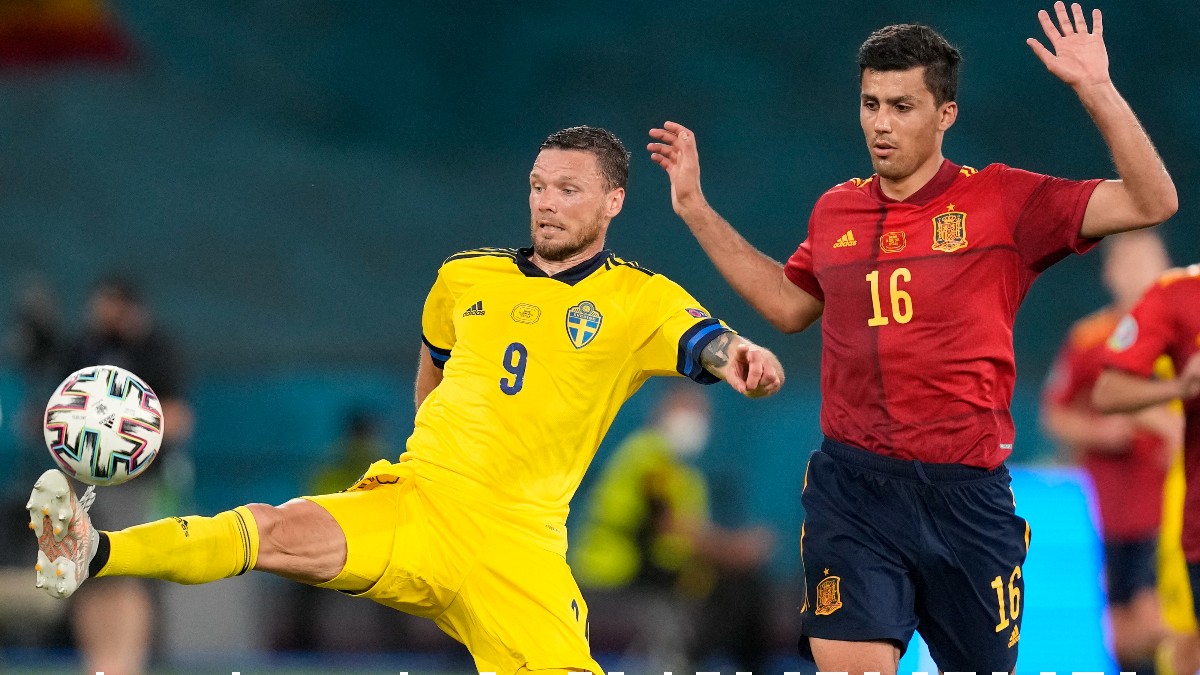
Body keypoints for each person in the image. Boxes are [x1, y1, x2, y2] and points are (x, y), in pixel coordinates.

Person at [27, 126, 785, 675]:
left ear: (614, 200)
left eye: (567, 189)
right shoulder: (466, 276)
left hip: (515, 546)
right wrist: (432, 457)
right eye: (536, 185)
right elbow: (434, 366)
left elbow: (709, 344)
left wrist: (741, 355)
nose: (545, 202)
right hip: (419, 504)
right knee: (273, 528)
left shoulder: (638, 299)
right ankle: (92, 549)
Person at [646, 3, 1177, 672]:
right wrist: (695, 208)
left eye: (902, 105)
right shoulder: (836, 207)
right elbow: (788, 304)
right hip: (855, 488)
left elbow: (1152, 202)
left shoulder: (1005, 200)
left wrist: (1096, 88)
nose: (881, 123)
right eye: (870, 104)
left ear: (944, 113)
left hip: (968, 496)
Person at [1041, 231, 1178, 672]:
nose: (1138, 275)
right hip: (1113, 512)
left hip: (1175, 508)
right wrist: (1106, 431)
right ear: (1110, 273)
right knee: (1122, 629)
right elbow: (1055, 415)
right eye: (1128, 264)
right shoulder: (1090, 340)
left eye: (1147, 263)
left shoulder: (1185, 338)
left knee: (1162, 615)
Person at [573, 383, 774, 673]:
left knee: (744, 590)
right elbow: (670, 527)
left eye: (700, 412)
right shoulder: (648, 455)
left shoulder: (683, 473)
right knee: (738, 589)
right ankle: (684, 663)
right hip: (619, 570)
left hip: (657, 569)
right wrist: (734, 549)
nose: (694, 419)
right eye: (685, 409)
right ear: (660, 413)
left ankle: (699, 662)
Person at [57, 276, 196, 675]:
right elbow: (60, 408)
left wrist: (122, 428)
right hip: (82, 479)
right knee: (85, 573)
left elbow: (180, 417)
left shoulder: (156, 350)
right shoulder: (85, 346)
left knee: (128, 570)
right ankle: (97, 665)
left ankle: (126, 666)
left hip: (138, 481)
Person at [1094, 266, 1200, 632]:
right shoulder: (1177, 293)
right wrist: (1180, 390)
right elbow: (1105, 392)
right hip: (1150, 508)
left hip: (1156, 503)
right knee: (1142, 627)